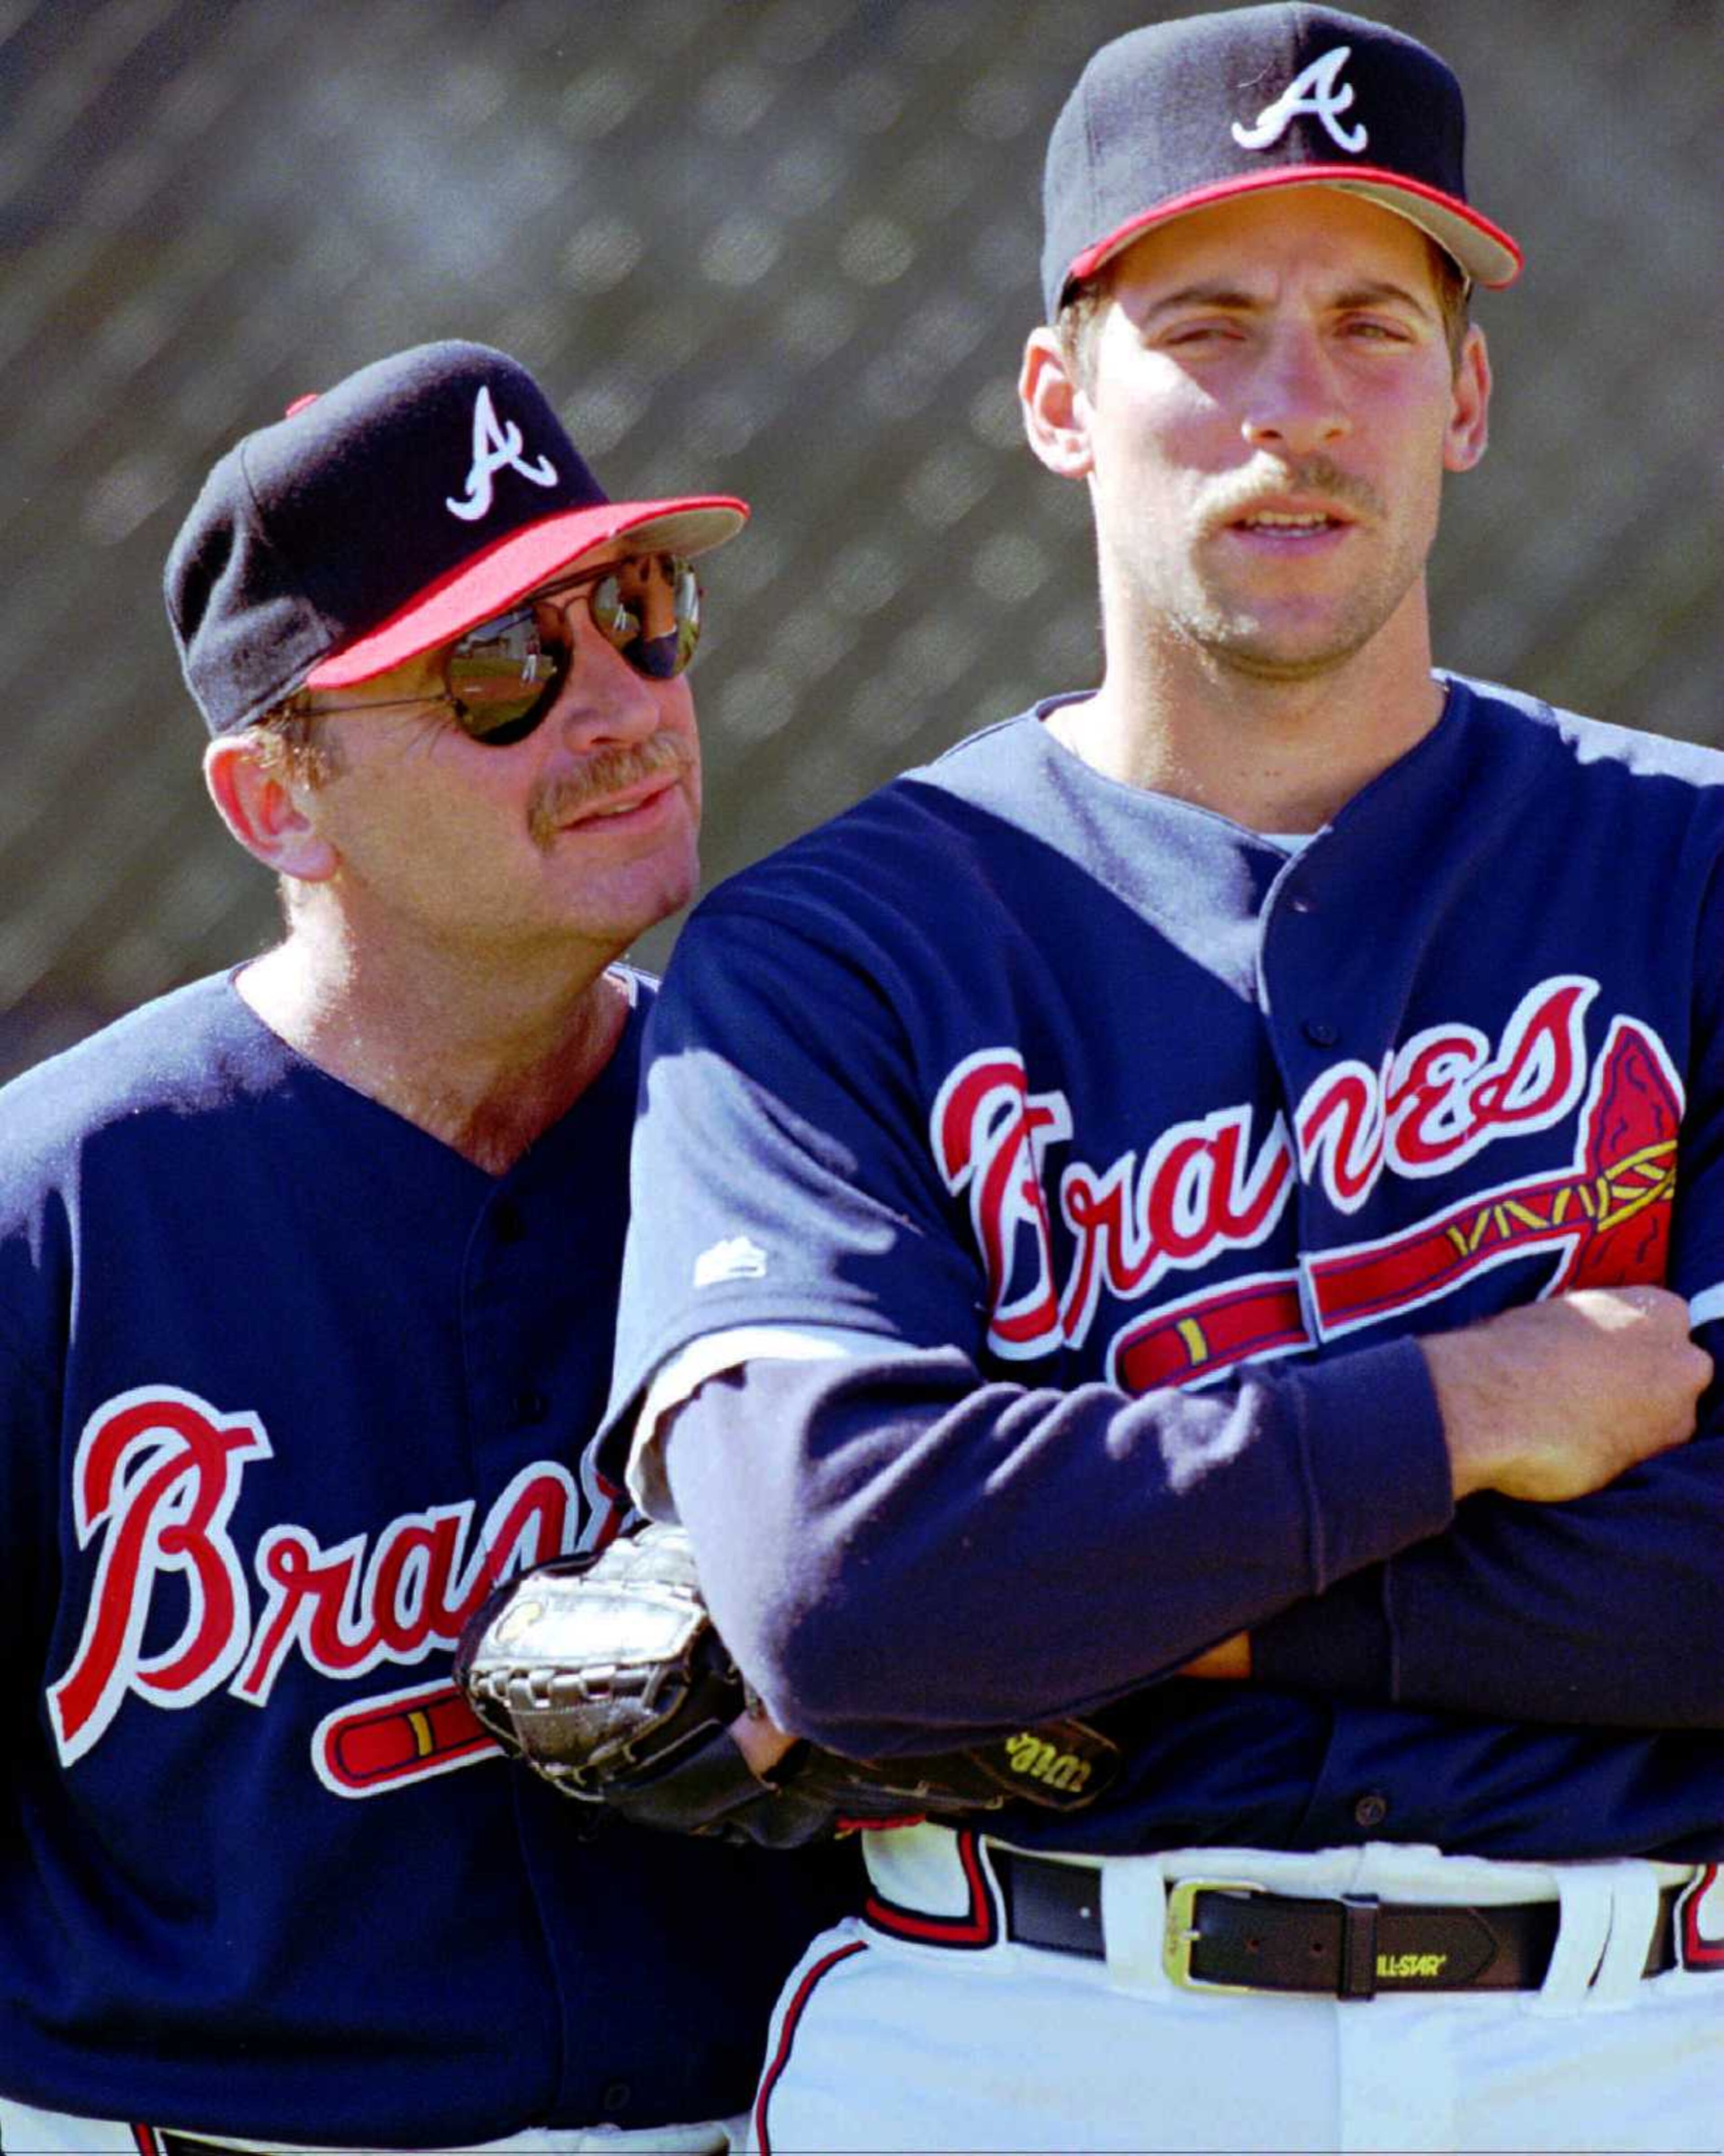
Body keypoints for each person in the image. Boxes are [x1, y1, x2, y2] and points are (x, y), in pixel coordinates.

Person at [595, 10, 1724, 2153]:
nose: (1294, 407)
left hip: (1644, 2034)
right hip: (1023, 2020)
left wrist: (1124, 1592)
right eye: (1205, 326)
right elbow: (847, 1599)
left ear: (1467, 398)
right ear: (1059, 398)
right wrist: (1466, 1412)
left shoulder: (1692, 874)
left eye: (1372, 326)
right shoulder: (830, 956)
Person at [0, 340, 853, 2154]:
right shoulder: (56, 1215)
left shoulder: (802, 1143)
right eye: (502, 669)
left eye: (638, 612)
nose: (618, 703)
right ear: (274, 801)